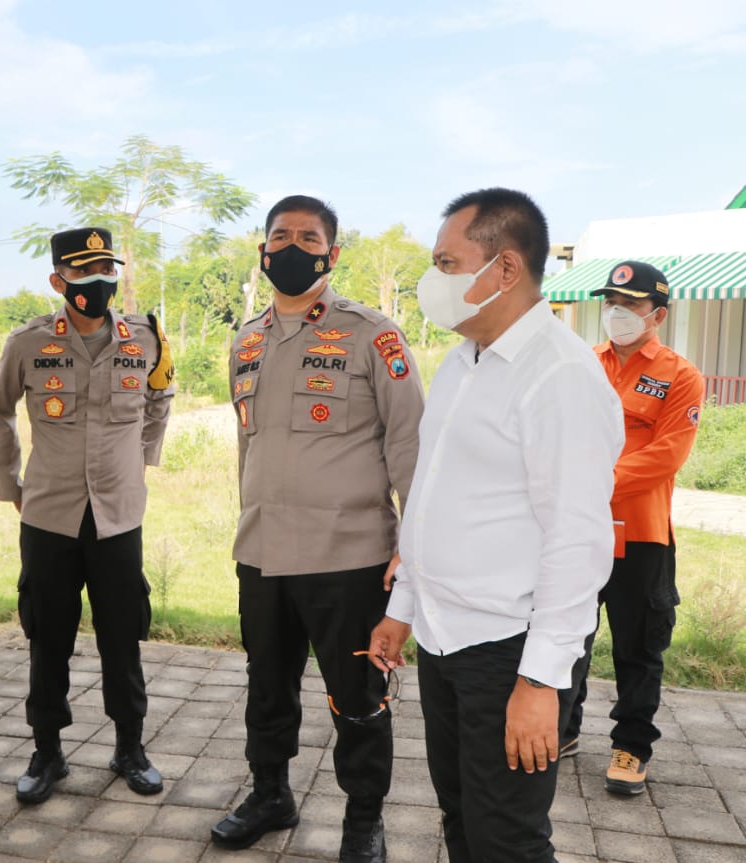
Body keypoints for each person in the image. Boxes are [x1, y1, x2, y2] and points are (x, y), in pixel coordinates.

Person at [368, 188, 624, 862]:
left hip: (507, 652)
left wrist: (541, 682)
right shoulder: (463, 359)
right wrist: (403, 607)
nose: (433, 280)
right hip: (444, 638)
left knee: (505, 839)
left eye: (446, 263)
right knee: (461, 819)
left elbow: (578, 540)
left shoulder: (561, 376)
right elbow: (432, 499)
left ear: (504, 269)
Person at [209, 196, 424, 861]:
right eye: (281, 235)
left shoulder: (372, 334)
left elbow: (412, 445)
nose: (293, 246)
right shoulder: (244, 339)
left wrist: (412, 555)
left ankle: (364, 819)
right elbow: (249, 448)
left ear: (331, 254)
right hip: (264, 552)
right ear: (263, 250)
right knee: (267, 686)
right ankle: (271, 791)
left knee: (357, 695)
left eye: (309, 236)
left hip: (350, 558)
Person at [0, 227, 174, 805]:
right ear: (58, 280)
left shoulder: (145, 338)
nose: (99, 282)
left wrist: (141, 462)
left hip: (119, 516)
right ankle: (47, 752)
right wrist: (10, 486)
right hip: (49, 517)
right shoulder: (28, 343)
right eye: (85, 273)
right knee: (48, 636)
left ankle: (130, 747)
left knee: (124, 636)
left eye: (106, 271)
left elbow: (160, 399)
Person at [562, 261, 704, 795]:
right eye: (611, 302)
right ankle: (562, 730)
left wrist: (590, 481)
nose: (616, 313)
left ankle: (630, 747)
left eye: (630, 305)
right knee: (567, 633)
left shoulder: (680, 374)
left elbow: (666, 454)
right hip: (577, 528)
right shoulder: (582, 363)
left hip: (641, 534)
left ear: (658, 314)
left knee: (639, 647)